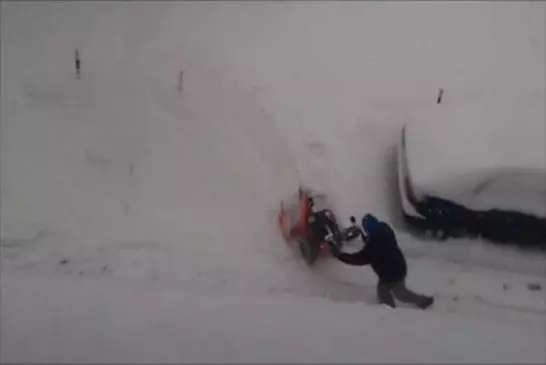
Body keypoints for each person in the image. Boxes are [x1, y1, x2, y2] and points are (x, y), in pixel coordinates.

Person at [327, 214, 434, 309]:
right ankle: (422, 301)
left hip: (389, 274)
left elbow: (358, 259)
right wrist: (369, 240)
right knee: (401, 292)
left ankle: (388, 311)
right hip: (400, 266)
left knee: (386, 293)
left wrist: (340, 256)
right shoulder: (386, 231)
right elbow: (378, 243)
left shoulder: (373, 246)